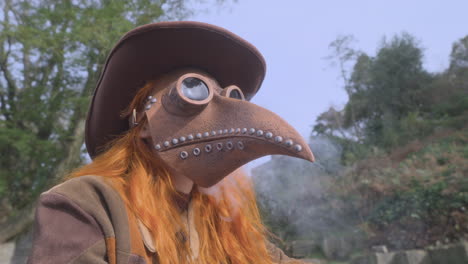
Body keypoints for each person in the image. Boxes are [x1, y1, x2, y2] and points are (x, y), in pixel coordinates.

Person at [27, 21, 315, 264]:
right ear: (142, 125)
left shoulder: (226, 223)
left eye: (229, 98)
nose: (222, 111)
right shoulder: (87, 202)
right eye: (194, 89)